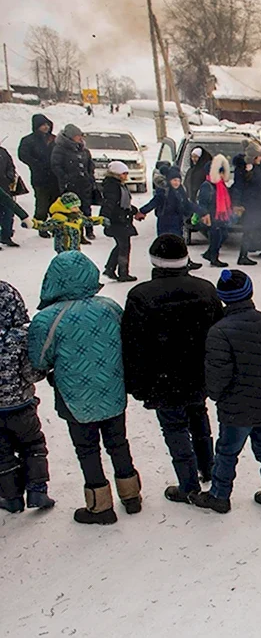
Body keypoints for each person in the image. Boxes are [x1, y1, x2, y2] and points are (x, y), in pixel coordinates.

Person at [27, 251, 141, 524]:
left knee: (87, 449)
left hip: (74, 396)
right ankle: (131, 494)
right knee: (118, 442)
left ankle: (100, 505)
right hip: (112, 388)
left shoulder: (48, 319)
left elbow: (39, 360)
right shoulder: (110, 307)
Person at [121, 235, 224, 502]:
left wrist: (136, 384)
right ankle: (208, 466)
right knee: (199, 417)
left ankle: (188, 484)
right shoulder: (205, 289)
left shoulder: (141, 296)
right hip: (199, 371)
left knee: (175, 428)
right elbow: (218, 331)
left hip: (162, 377)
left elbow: (133, 344)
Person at [191, 270, 261, 514]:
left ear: (223, 297)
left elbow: (217, 375)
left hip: (236, 407)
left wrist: (215, 394)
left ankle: (219, 495)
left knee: (226, 452)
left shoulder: (220, 331)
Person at [0, 281, 54, 513]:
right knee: (32, 445)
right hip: (22, 407)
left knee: (2, 454)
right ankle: (37, 490)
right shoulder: (21, 337)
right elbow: (31, 373)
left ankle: (11, 497)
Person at [50, 124, 99, 242]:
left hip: (84, 184)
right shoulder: (60, 149)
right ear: (70, 136)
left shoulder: (83, 149)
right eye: (77, 136)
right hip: (70, 185)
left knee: (86, 208)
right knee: (73, 210)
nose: (80, 138)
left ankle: (89, 230)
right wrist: (66, 178)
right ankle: (78, 233)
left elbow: (89, 164)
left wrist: (89, 176)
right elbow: (56, 166)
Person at [17, 113, 59, 237]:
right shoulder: (29, 140)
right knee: (42, 204)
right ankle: (41, 226)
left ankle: (55, 226)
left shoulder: (53, 139)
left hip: (54, 177)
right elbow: (23, 155)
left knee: (56, 203)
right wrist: (37, 164)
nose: (46, 127)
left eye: (47, 125)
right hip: (40, 178)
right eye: (43, 125)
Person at [25, 192, 104, 254]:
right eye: (74, 207)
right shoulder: (59, 219)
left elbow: (88, 221)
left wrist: (101, 220)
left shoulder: (77, 217)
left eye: (78, 206)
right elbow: (45, 226)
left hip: (75, 250)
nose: (77, 209)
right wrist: (32, 224)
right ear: (66, 207)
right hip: (63, 251)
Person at [100, 161, 140, 282]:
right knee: (124, 246)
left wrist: (134, 211)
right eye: (123, 173)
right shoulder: (113, 187)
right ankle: (123, 273)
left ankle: (110, 269)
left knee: (120, 245)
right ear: (116, 173)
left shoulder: (119, 185)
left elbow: (124, 204)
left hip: (122, 220)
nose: (125, 176)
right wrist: (105, 217)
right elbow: (110, 203)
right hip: (118, 221)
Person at [197, 154, 234, 268]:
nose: (223, 175)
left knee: (222, 234)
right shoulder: (207, 186)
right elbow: (202, 201)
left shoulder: (220, 185)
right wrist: (205, 214)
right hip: (212, 215)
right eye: (221, 172)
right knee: (216, 236)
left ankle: (210, 254)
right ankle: (214, 258)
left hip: (220, 216)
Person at [0, 145, 27, 247]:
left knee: (8, 213)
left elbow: (11, 165)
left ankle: (6, 236)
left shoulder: (3, 151)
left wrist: (10, 176)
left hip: (5, 187)